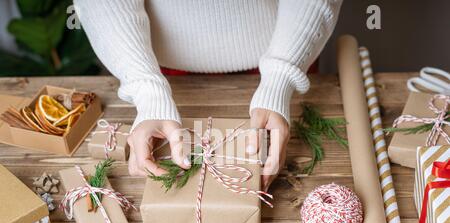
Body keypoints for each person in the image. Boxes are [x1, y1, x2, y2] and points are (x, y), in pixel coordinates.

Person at [74, 0, 342, 191]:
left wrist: (281, 78)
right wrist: (148, 92)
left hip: (287, 51)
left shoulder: (284, 69)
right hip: (156, 68)